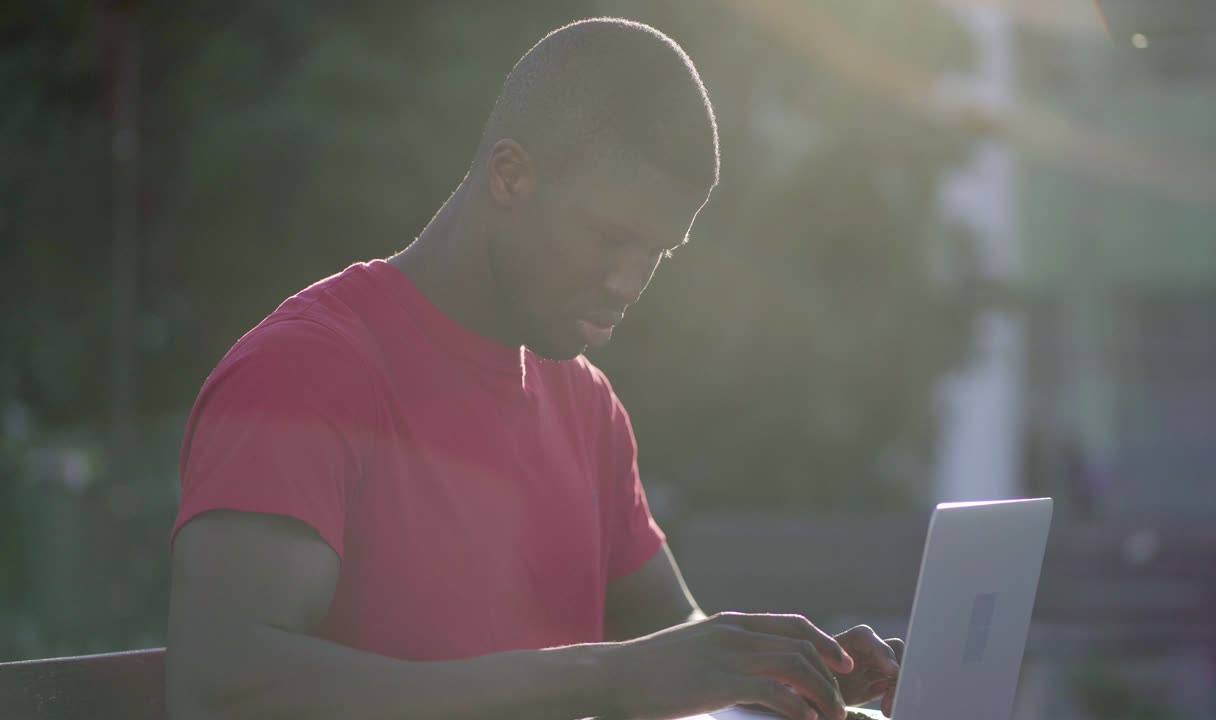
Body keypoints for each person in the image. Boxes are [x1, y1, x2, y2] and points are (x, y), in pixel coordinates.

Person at [166, 17, 902, 720]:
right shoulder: (301, 373)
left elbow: (676, 648)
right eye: (612, 234)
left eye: (658, 252)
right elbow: (226, 691)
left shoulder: (587, 408)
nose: (628, 281)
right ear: (512, 176)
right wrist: (607, 679)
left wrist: (799, 674)